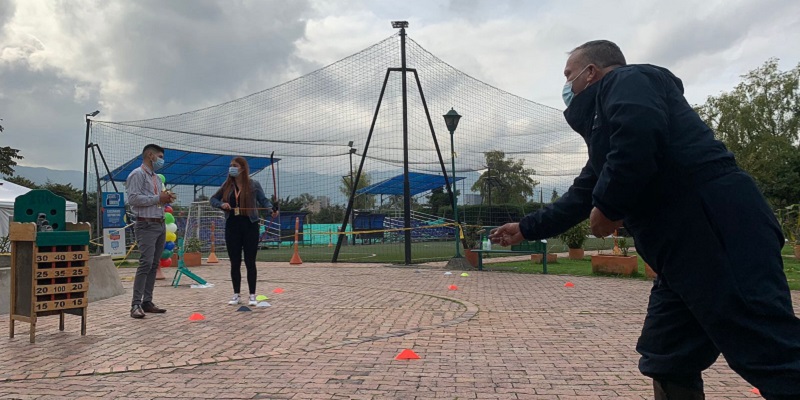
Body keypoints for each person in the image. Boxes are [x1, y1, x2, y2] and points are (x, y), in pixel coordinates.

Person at [490, 40, 800, 399]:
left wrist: (609, 206)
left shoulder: (629, 80)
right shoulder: (604, 129)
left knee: (768, 350)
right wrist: (526, 228)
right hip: (679, 249)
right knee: (668, 354)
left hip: (715, 228)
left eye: (568, 75)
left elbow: (639, 133)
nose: (566, 86)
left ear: (591, 72)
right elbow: (585, 190)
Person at [210, 157, 277, 306]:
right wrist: (222, 204)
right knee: (235, 262)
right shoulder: (227, 185)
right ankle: (236, 294)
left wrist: (271, 209)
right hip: (232, 226)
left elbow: (264, 201)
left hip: (250, 225)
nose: (231, 168)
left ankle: (252, 295)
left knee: (250, 261)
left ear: (242, 168)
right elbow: (213, 200)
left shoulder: (253, 184)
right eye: (230, 166)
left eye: (234, 166)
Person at [126, 144, 175, 319]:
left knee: (154, 264)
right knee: (145, 263)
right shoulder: (137, 174)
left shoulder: (156, 178)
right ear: (150, 155)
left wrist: (166, 198)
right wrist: (157, 198)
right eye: (160, 156)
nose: (162, 160)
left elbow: (157, 200)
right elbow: (132, 199)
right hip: (145, 224)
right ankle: (135, 304)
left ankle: (147, 301)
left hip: (159, 222)